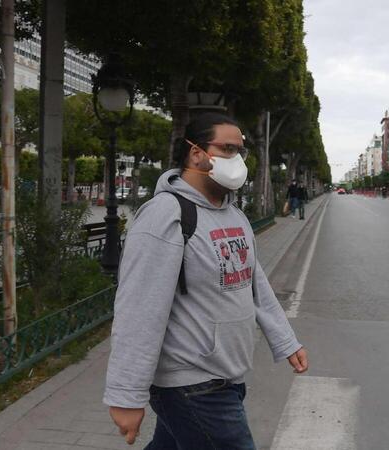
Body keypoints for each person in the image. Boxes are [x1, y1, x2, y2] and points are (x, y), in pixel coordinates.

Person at [104, 113, 308, 449]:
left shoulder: (234, 215)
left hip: (227, 376)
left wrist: (285, 341)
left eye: (240, 151)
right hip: (191, 384)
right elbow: (139, 309)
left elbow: (254, 284)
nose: (237, 160)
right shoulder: (164, 215)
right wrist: (126, 395)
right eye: (227, 149)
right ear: (196, 153)